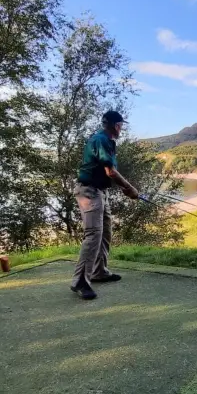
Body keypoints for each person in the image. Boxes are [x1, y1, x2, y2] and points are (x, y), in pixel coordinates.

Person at [71, 110, 140, 300]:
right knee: (93, 235)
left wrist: (125, 188)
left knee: (105, 232)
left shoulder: (106, 141)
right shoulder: (101, 140)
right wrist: (130, 188)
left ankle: (99, 271)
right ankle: (80, 281)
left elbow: (108, 172)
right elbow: (110, 171)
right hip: (89, 192)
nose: (121, 128)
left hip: (99, 192)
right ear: (116, 125)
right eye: (120, 125)